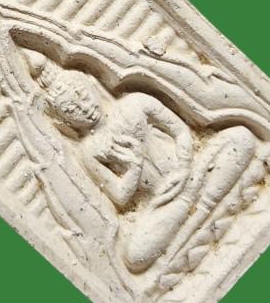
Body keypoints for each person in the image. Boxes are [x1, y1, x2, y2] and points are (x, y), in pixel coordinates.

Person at [24, 50, 256, 274]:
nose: (85, 109)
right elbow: (120, 197)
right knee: (135, 256)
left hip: (191, 170)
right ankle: (204, 207)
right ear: (64, 120)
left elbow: (181, 132)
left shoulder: (134, 103)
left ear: (90, 85)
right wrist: (134, 167)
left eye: (82, 96)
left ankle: (197, 216)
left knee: (241, 138)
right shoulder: (90, 151)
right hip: (165, 202)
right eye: (72, 110)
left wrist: (184, 166)